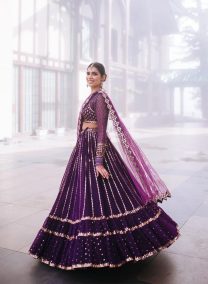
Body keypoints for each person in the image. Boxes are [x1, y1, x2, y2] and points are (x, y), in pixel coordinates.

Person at [28, 62, 180, 270]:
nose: (90, 77)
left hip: (95, 149)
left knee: (107, 197)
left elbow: (101, 131)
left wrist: (99, 161)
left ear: (103, 78)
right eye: (88, 73)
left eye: (95, 74)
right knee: (80, 195)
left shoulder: (100, 98)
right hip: (83, 148)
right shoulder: (91, 97)